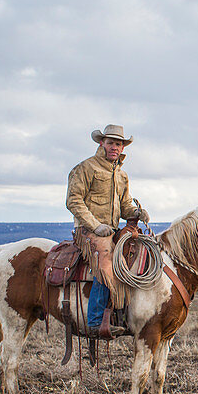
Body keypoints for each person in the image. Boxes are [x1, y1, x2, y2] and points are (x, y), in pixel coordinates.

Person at [66, 124, 149, 338]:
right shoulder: (86, 168)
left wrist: (137, 212)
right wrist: (95, 225)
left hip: (112, 230)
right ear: (102, 143)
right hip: (88, 231)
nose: (114, 147)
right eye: (111, 142)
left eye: (118, 144)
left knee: (137, 254)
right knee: (105, 264)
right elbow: (73, 200)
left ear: (122, 148)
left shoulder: (122, 176)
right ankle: (94, 322)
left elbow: (125, 206)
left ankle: (124, 314)